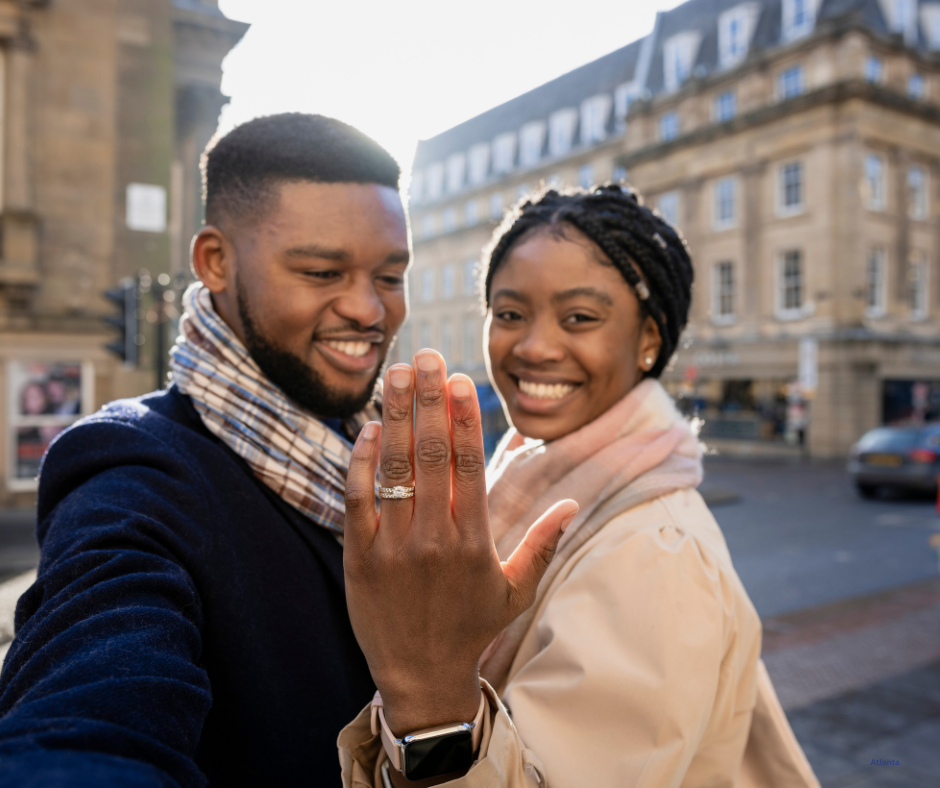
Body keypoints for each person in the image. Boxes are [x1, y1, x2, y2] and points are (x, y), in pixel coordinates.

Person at [339, 186, 819, 787]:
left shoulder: (652, 553)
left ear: (649, 340)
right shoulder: (527, 472)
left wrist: (430, 692)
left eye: (580, 318)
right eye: (510, 313)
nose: (535, 347)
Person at [0, 113, 413, 786]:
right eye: (321, 272)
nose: (368, 309)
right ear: (215, 262)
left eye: (391, 277)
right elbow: (90, 704)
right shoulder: (135, 468)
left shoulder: (384, 453)